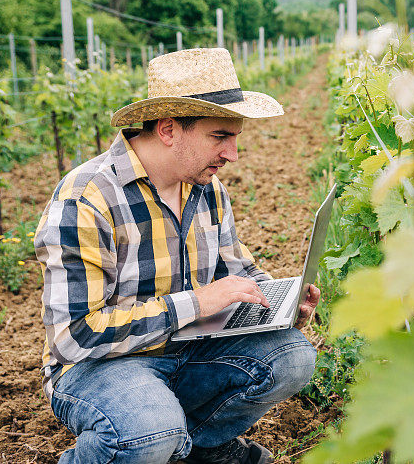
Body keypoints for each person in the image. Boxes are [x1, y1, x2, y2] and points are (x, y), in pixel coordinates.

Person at [35, 48, 320, 464]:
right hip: (103, 364)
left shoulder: (207, 188)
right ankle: (158, 439)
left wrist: (280, 300)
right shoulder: (87, 199)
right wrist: (198, 302)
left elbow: (237, 270)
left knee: (292, 356)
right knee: (149, 431)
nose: (232, 154)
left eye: (235, 137)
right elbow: (76, 335)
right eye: (220, 137)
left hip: (188, 346)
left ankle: (198, 449)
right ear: (168, 129)